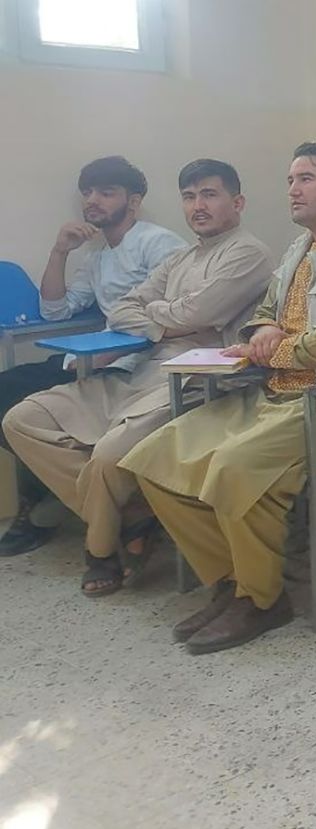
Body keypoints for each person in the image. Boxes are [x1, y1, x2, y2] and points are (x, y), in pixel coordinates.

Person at [118, 142, 316, 654]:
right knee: (153, 458)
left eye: (306, 179)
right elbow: (264, 309)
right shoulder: (297, 249)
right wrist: (263, 328)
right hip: (278, 392)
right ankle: (233, 582)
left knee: (235, 468)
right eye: (290, 180)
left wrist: (279, 348)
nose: (292, 189)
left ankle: (263, 601)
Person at [3, 159, 272, 597]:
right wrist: (168, 319)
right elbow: (124, 309)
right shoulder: (185, 255)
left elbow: (199, 315)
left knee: (109, 457)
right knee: (22, 419)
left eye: (209, 194)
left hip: (194, 378)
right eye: (189, 196)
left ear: (237, 201)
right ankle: (131, 514)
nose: (197, 205)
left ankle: (101, 549)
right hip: (142, 367)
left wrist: (161, 316)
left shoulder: (248, 252)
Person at [0, 156, 187, 557]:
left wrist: (115, 349)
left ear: (133, 201)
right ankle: (121, 506)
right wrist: (60, 251)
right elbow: (55, 311)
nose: (93, 200)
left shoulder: (159, 243)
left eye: (106, 192)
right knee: (5, 394)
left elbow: (184, 314)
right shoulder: (96, 254)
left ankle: (47, 511)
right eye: (88, 192)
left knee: (21, 404)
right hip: (92, 357)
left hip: (135, 363)